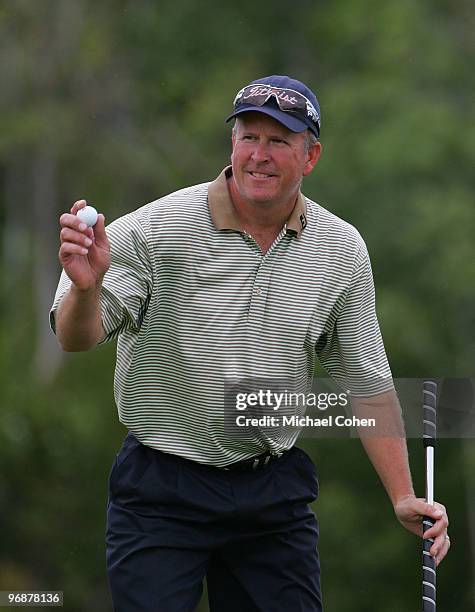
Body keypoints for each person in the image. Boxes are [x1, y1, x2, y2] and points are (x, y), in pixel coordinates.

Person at [50, 75, 450, 612]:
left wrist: (403, 496)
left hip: (271, 492)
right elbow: (79, 337)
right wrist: (86, 286)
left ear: (310, 157)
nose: (259, 155)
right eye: (248, 138)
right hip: (161, 489)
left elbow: (366, 381)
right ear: (232, 145)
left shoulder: (342, 250)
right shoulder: (152, 230)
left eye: (279, 141)